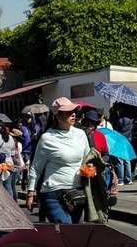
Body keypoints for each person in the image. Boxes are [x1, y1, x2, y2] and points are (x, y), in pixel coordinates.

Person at [26, 96, 93, 224]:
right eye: (69, 112)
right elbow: (36, 167)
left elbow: (87, 159)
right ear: (58, 115)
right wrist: (30, 193)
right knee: (65, 229)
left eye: (74, 112)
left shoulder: (81, 134)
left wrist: (91, 168)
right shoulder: (47, 138)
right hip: (53, 193)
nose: (73, 115)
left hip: (76, 193)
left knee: (75, 235)